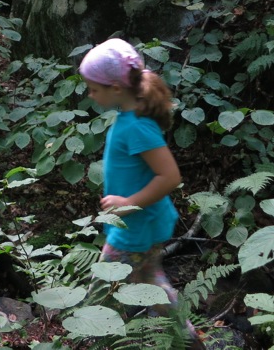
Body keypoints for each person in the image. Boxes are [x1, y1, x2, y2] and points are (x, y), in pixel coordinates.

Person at [80, 37, 201, 345]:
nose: (90, 95)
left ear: (116, 89)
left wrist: (127, 203)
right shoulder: (129, 117)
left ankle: (98, 340)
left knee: (101, 295)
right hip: (143, 223)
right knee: (151, 280)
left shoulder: (136, 126)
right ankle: (186, 339)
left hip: (134, 226)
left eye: (94, 88)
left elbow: (170, 176)